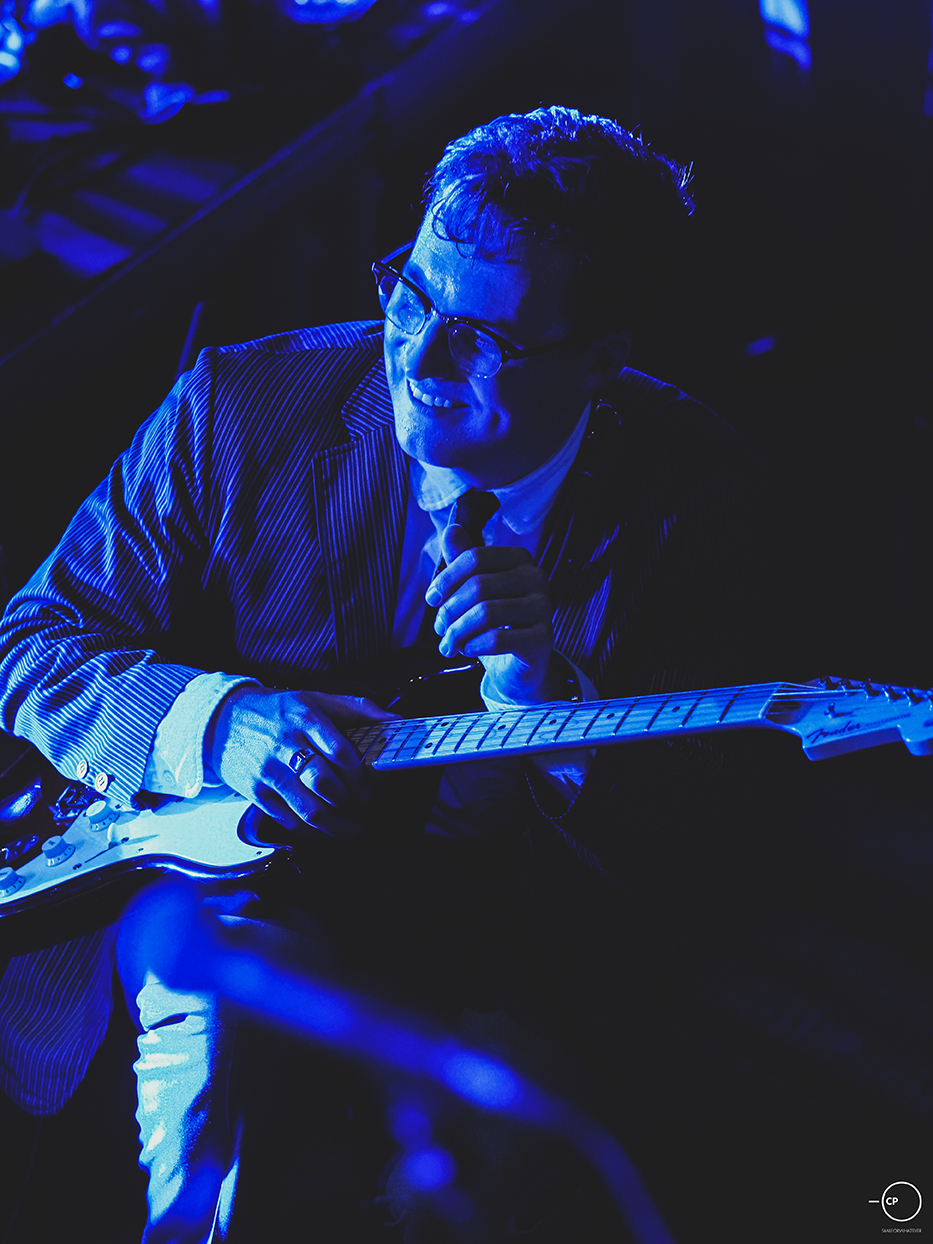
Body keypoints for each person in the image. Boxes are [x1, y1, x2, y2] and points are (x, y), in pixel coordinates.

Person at [0, 105, 772, 1239]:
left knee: (530, 1172)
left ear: (603, 358)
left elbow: (698, 841)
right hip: (233, 885)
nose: (417, 357)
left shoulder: (693, 492)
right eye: (411, 294)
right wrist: (222, 722)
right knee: (228, 1106)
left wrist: (539, 699)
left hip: (511, 928)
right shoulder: (239, 406)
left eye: (484, 338)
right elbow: (33, 641)